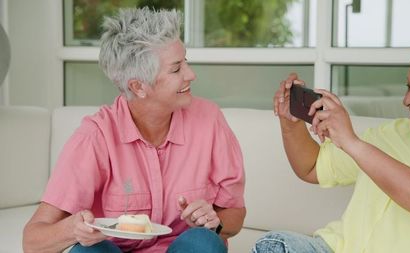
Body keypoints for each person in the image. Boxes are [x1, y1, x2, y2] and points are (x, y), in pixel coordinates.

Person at [23, 8, 245, 253]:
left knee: (204, 242)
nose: (191, 74)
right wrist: (72, 229)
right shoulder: (96, 137)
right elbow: (32, 241)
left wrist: (215, 221)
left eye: (186, 62)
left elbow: (235, 213)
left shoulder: (209, 120)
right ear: (138, 86)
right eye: (176, 69)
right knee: (88, 251)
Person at [252, 36, 410, 253]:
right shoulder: (395, 132)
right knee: (275, 244)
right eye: (408, 87)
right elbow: (312, 167)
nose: (407, 100)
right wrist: (291, 124)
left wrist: (353, 143)